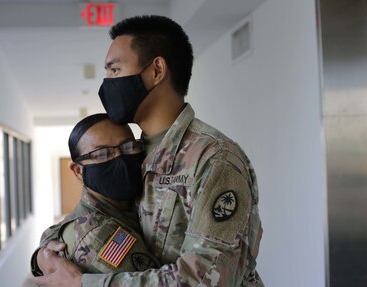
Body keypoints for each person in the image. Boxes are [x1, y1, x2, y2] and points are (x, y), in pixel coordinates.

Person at [35, 15, 264, 286]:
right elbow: (92, 214)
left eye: (114, 70)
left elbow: (207, 279)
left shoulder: (214, 160)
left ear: (156, 71)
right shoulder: (135, 153)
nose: (107, 82)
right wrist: (43, 255)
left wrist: (85, 284)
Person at [31, 113, 160, 278]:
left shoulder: (139, 198)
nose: (120, 159)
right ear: (78, 171)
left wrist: (39, 256)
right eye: (102, 154)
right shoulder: (99, 235)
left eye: (128, 146)